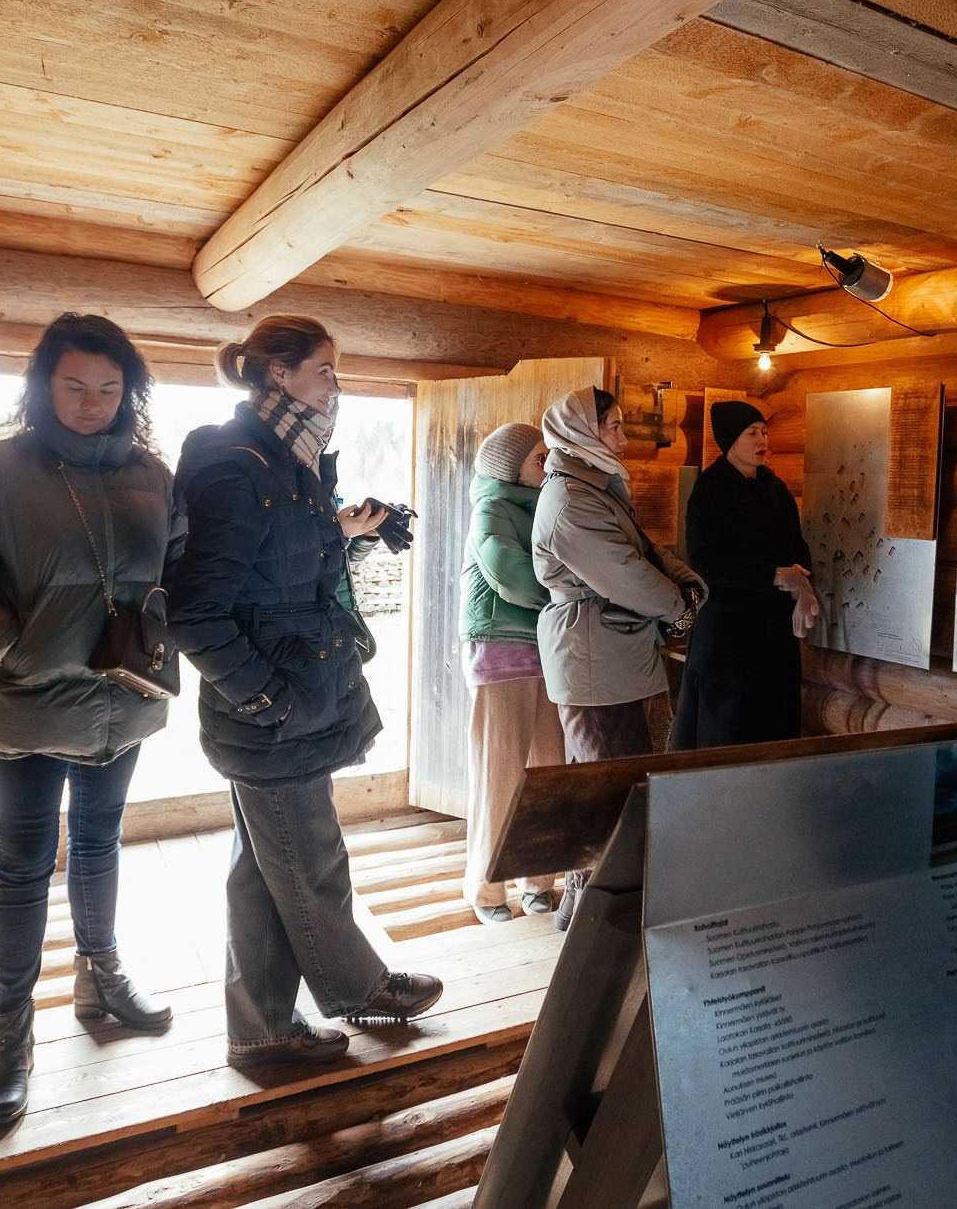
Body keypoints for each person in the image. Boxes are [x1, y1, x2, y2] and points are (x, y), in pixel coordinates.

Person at [0, 313, 183, 1128]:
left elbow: (181, 567)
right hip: (24, 706)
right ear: (43, 385)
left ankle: (100, 977)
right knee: (24, 865)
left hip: (121, 700)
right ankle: (9, 1039)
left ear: (129, 391)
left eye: (109, 388)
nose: (93, 402)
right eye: (75, 386)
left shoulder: (152, 473)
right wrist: (10, 647)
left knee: (99, 839)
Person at [166, 314, 441, 1067]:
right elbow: (197, 607)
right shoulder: (236, 464)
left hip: (296, 693)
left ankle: (259, 1029)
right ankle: (360, 988)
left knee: (262, 868)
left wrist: (348, 528)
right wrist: (266, 700)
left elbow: (276, 568)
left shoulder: (291, 460)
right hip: (275, 708)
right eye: (325, 369)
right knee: (310, 857)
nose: (336, 384)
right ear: (278, 376)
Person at [532, 387, 704, 928]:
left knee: (621, 784)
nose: (624, 438)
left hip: (618, 653)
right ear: (582, 431)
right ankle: (598, 925)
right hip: (593, 660)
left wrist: (688, 586)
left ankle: (594, 911)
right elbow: (626, 575)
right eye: (614, 426)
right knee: (610, 792)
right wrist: (678, 609)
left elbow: (645, 553)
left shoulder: (598, 488)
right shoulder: (569, 502)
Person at [460, 422, 563, 923]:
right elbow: (512, 575)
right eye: (537, 458)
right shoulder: (492, 509)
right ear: (509, 467)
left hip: (549, 651)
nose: (546, 465)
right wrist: (572, 599)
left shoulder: (545, 505)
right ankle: (488, 889)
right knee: (499, 775)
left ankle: (539, 881)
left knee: (546, 772)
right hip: (501, 654)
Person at [671, 400, 817, 750]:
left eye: (764, 432)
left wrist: (801, 583)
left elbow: (796, 544)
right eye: (751, 433)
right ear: (730, 440)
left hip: (773, 629)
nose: (761, 439)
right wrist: (771, 575)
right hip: (727, 632)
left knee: (775, 723)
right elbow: (706, 559)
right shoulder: (710, 489)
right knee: (728, 729)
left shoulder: (775, 488)